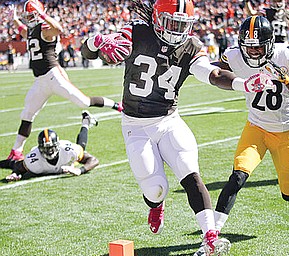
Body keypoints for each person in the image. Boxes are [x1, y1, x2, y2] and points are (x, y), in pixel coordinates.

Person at [81, 1, 275, 255]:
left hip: (168, 120)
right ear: (157, 18)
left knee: (190, 173)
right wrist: (97, 42)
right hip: (136, 125)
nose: (175, 30)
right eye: (171, 23)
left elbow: (213, 74)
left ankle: (210, 236)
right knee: (155, 189)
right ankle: (156, 204)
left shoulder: (190, 46)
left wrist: (243, 84)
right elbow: (90, 53)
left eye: (181, 25)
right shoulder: (137, 31)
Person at [212, 16, 289, 237]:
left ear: (269, 43)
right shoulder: (234, 55)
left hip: (286, 132)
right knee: (238, 175)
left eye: (258, 47)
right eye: (248, 47)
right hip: (256, 128)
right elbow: (214, 73)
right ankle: (212, 231)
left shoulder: (287, 55)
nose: (253, 52)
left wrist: (286, 80)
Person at [6, 0, 123, 161]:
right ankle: (16, 151)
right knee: (27, 113)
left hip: (53, 76)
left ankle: (117, 105)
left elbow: (59, 29)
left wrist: (43, 16)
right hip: (40, 80)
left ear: (40, 13)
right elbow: (25, 32)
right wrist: (14, 19)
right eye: (29, 16)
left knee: (83, 102)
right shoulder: (33, 30)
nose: (31, 18)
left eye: (33, 15)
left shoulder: (45, 28)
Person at [2, 110, 99, 181]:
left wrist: (80, 170)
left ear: (58, 145)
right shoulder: (33, 158)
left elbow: (94, 160)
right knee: (12, 163)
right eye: (45, 148)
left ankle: (86, 122)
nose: (49, 151)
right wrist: (15, 173)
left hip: (69, 155)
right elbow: (19, 167)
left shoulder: (68, 150)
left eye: (51, 148)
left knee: (81, 149)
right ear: (39, 148)